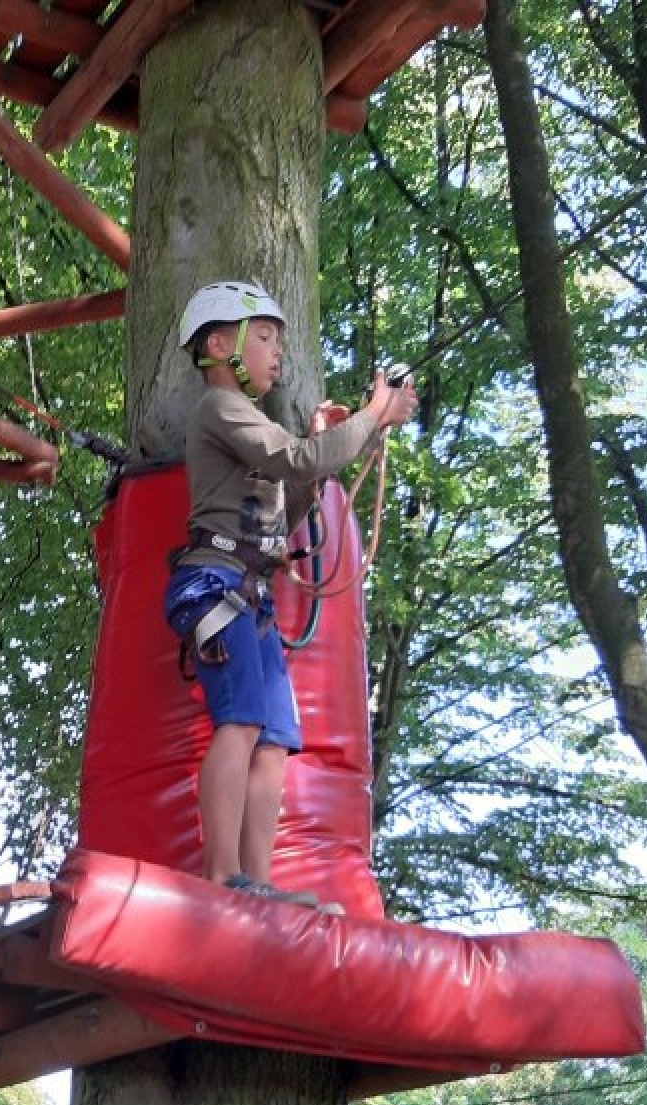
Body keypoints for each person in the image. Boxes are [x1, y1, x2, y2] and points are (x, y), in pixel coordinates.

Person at [165, 281, 417, 907]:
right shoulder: (219, 408)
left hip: (251, 597)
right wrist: (366, 420)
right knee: (242, 722)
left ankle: (259, 884)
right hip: (215, 584)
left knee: (274, 738)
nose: (279, 353)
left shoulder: (253, 423)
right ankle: (222, 873)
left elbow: (292, 504)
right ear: (220, 345)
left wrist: (332, 445)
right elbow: (300, 460)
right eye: (267, 338)